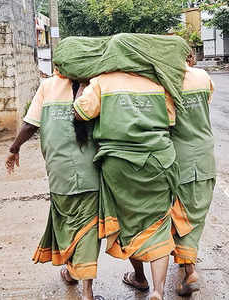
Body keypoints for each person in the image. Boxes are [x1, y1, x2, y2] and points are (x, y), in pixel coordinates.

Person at [73, 71, 179, 300]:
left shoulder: (102, 81)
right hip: (158, 160)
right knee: (159, 224)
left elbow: (81, 113)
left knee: (130, 223)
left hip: (118, 163)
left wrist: (82, 86)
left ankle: (139, 276)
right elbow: (171, 120)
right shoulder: (158, 81)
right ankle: (158, 290)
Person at [5, 72, 101, 300]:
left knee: (66, 223)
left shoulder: (47, 86)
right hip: (91, 171)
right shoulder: (93, 85)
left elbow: (30, 125)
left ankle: (71, 272)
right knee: (89, 229)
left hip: (59, 172)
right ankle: (86, 290)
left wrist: (14, 148)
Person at [170, 53, 216, 296]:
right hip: (205, 154)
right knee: (196, 211)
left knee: (181, 213)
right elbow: (207, 100)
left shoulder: (166, 80)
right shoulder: (203, 76)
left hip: (180, 157)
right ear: (191, 57)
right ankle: (186, 263)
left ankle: (189, 271)